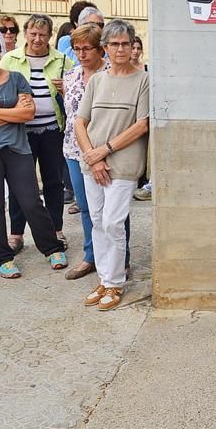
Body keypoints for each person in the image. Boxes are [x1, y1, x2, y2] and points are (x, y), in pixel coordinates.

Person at [0, 31, 67, 278]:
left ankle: (52, 248)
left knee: (30, 200)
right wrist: (9, 113)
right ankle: (2, 257)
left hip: (17, 148)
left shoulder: (17, 78)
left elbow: (27, 114)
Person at [75, 19, 150, 312]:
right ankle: (104, 279)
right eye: (114, 44)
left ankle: (115, 282)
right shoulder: (97, 80)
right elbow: (81, 122)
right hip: (93, 163)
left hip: (123, 162)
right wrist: (92, 156)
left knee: (113, 222)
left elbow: (141, 125)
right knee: (96, 221)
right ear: (105, 48)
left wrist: (104, 151)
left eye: (125, 43)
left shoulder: (143, 79)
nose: (120, 49)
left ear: (133, 46)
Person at [0, 14, 70, 251]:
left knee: (53, 182)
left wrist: (65, 89)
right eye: (33, 33)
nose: (37, 38)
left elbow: (77, 91)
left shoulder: (61, 60)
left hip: (52, 130)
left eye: (42, 34)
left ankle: (55, 229)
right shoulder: (10, 59)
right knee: (21, 183)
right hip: (21, 132)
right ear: (25, 33)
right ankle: (16, 233)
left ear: (50, 36)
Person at [61, 24, 108, 279]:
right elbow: (71, 115)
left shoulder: (112, 74)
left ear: (100, 48)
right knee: (87, 206)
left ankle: (118, 259)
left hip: (105, 149)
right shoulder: (70, 76)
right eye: (76, 49)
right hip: (74, 148)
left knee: (112, 209)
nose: (81, 54)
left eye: (86, 48)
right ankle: (91, 256)